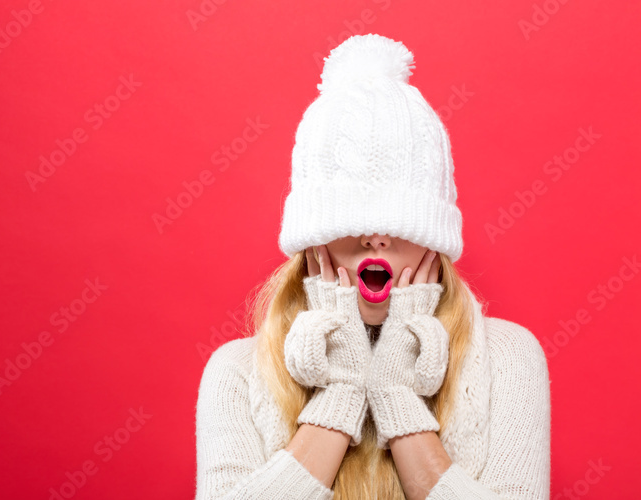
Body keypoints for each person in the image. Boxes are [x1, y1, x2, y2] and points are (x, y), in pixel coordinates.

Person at [194, 34, 550, 499]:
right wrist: (342, 392)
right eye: (349, 217)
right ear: (313, 238)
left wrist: (396, 396)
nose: (375, 237)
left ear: (433, 236)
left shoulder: (508, 357)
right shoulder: (237, 372)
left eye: (400, 217)